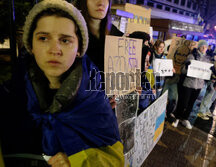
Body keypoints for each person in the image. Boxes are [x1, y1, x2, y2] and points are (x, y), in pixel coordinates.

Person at [0, 0, 124, 166]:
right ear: (31, 44)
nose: (54, 49)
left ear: (79, 48)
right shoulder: (9, 97)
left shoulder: (94, 101)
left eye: (65, 40)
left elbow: (115, 159)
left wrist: (79, 160)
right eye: (43, 38)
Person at [172, 40, 210, 129]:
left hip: (199, 85)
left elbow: (207, 72)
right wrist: (188, 67)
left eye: (205, 47)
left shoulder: (207, 59)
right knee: (183, 102)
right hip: (189, 83)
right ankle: (177, 118)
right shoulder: (192, 56)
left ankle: (185, 118)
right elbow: (183, 71)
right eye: (202, 46)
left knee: (191, 103)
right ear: (199, 47)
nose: (204, 48)